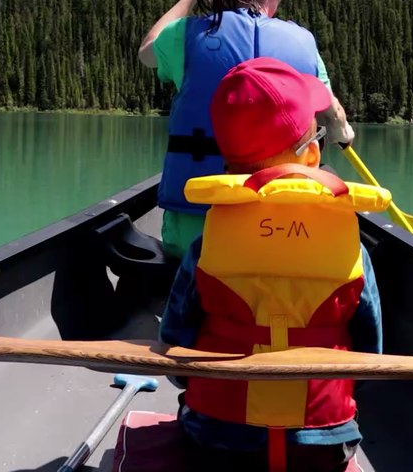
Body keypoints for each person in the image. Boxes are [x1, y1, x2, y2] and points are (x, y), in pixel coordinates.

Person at [159, 57, 389, 472]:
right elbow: (369, 359)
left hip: (219, 440)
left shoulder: (206, 245)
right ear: (313, 153)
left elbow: (176, 343)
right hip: (322, 444)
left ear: (227, 166)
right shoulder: (353, 248)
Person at [138, 0, 354, 258]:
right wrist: (343, 133)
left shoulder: (186, 37)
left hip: (192, 241)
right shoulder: (302, 44)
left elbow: (147, 50)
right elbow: (333, 113)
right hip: (277, 238)